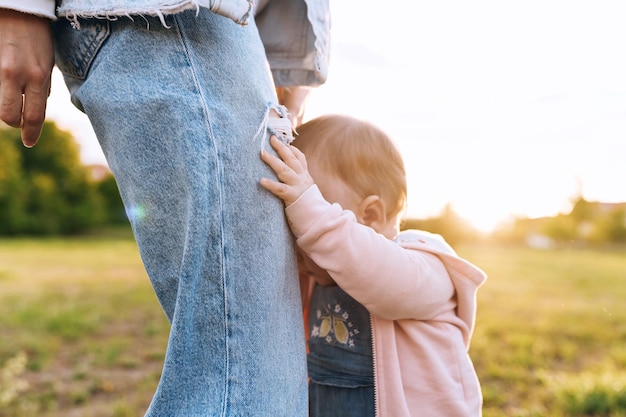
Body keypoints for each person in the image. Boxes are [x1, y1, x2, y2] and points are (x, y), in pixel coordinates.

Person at [0, 1, 330, 415]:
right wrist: (19, 7)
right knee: (242, 379)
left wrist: (282, 73)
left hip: (225, 31)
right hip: (176, 23)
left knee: (252, 369)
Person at [260, 114, 488, 417]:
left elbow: (375, 272)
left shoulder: (424, 264)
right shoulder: (320, 276)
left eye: (315, 209)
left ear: (369, 216)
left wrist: (309, 210)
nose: (303, 234)